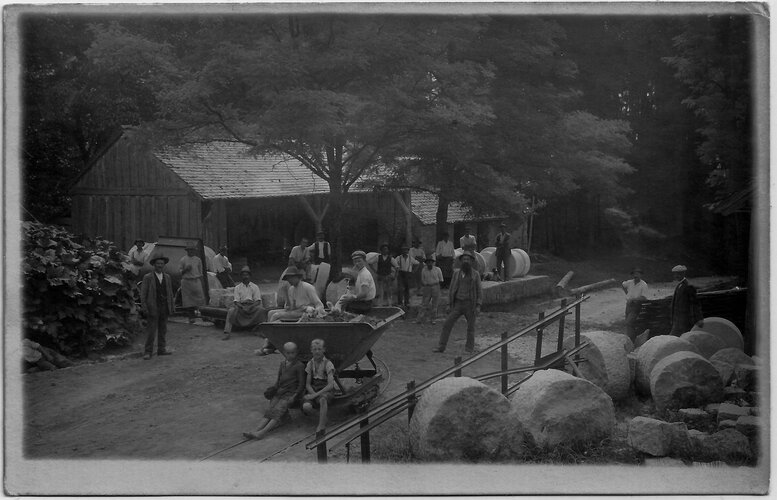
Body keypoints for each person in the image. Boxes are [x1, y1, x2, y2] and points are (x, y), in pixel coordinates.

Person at [243, 342, 305, 440]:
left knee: (277, 411)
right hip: (280, 392)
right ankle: (256, 429)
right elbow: (278, 380)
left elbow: (301, 384)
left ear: (296, 352)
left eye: (293, 353)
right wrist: (273, 390)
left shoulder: (299, 365)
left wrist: (294, 396)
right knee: (270, 409)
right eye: (288, 353)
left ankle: (262, 433)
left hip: (289, 394)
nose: (290, 355)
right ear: (284, 353)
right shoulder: (282, 364)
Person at [434, 251, 482, 354]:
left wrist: (478, 305)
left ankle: (469, 349)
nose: (466, 261)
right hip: (457, 304)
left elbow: (479, 291)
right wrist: (448, 304)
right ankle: (441, 347)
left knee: (471, 328)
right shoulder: (456, 274)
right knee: (447, 324)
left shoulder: (475, 275)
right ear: (461, 261)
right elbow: (451, 289)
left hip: (470, 304)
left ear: (471, 261)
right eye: (464, 259)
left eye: (468, 259)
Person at [139, 254, 174, 360]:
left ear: (164, 265)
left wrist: (171, 306)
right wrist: (144, 307)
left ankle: (161, 349)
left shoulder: (167, 277)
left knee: (163, 329)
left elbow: (170, 293)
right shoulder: (148, 277)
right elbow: (143, 294)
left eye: (162, 264)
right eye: (158, 263)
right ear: (154, 265)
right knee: (151, 331)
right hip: (153, 307)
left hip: (164, 307)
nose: (160, 265)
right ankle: (148, 351)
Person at [223, 266, 266, 340]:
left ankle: (261, 331)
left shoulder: (255, 287)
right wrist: (243, 307)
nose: (245, 277)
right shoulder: (237, 287)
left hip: (252, 306)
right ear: (241, 277)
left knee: (261, 310)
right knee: (231, 311)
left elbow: (258, 301)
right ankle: (227, 332)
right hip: (241, 306)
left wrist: (250, 307)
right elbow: (236, 301)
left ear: (250, 276)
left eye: (247, 275)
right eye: (243, 275)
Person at [302, 338, 336, 433]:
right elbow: (308, 384)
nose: (317, 351)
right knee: (306, 407)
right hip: (314, 388)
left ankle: (321, 426)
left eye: (319, 349)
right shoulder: (310, 363)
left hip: (325, 389)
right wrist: (313, 393)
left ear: (324, 350)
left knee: (322, 399)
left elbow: (330, 385)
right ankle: (323, 417)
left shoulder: (328, 364)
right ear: (311, 350)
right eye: (315, 349)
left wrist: (315, 395)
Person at [669, 265, 704, 336]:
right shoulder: (679, 286)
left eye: (678, 274)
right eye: (675, 274)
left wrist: (699, 319)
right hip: (677, 321)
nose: (676, 276)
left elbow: (695, 304)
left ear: (683, 274)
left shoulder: (688, 286)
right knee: (674, 338)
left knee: (681, 338)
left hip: (685, 320)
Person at [179, 245, 206, 323]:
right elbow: (180, 272)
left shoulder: (198, 260)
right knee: (188, 301)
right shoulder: (183, 260)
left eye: (192, 250)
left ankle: (204, 315)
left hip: (196, 280)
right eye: (189, 250)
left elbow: (200, 272)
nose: (191, 251)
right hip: (186, 281)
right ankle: (191, 316)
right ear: (187, 251)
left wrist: (202, 282)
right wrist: (185, 269)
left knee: (200, 298)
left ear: (194, 251)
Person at [621, 267, 649, 342]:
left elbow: (644, 298)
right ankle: (631, 339)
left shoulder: (644, 285)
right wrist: (627, 294)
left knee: (629, 322)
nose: (635, 275)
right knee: (628, 323)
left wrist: (633, 299)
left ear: (641, 275)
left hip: (636, 306)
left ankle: (631, 340)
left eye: (637, 274)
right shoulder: (630, 282)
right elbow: (623, 285)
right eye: (634, 274)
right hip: (628, 305)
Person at [416, 255, 443, 325]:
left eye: (431, 262)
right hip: (427, 287)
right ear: (426, 263)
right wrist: (426, 285)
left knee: (435, 304)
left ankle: (433, 319)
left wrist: (436, 286)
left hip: (435, 286)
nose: (429, 263)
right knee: (424, 303)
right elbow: (422, 280)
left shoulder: (437, 269)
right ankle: (419, 319)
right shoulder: (424, 270)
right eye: (428, 262)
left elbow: (440, 280)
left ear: (433, 263)